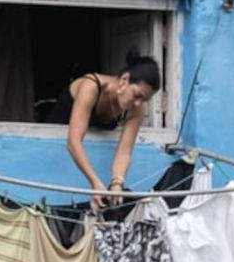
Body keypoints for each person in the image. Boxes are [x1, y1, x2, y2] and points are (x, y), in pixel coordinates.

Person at [49, 49, 161, 207]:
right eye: (137, 95)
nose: (138, 103)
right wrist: (95, 182)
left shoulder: (137, 108)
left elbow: (125, 150)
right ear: (124, 80)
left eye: (145, 99)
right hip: (57, 147)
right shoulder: (91, 86)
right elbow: (74, 142)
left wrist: (117, 183)